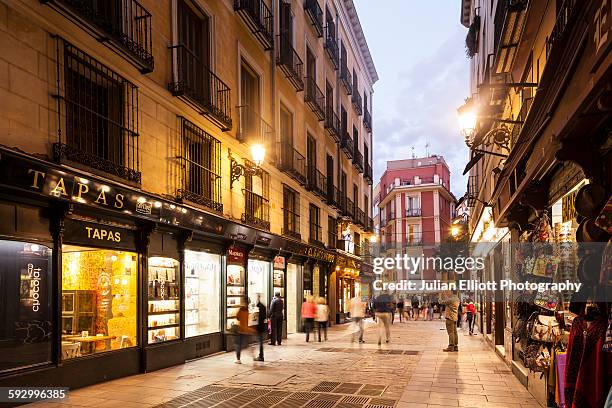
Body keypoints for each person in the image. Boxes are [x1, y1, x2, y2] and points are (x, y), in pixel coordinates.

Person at [235, 297, 254, 364]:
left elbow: (237, 317)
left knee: (238, 345)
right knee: (246, 344)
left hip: (240, 330)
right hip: (246, 330)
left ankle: (238, 359)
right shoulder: (247, 310)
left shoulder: (241, 309)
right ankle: (253, 355)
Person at [254, 294, 266, 361]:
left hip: (259, 327)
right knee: (260, 342)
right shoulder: (263, 306)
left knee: (260, 342)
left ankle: (261, 356)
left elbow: (259, 317)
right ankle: (261, 355)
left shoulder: (259, 306)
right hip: (262, 326)